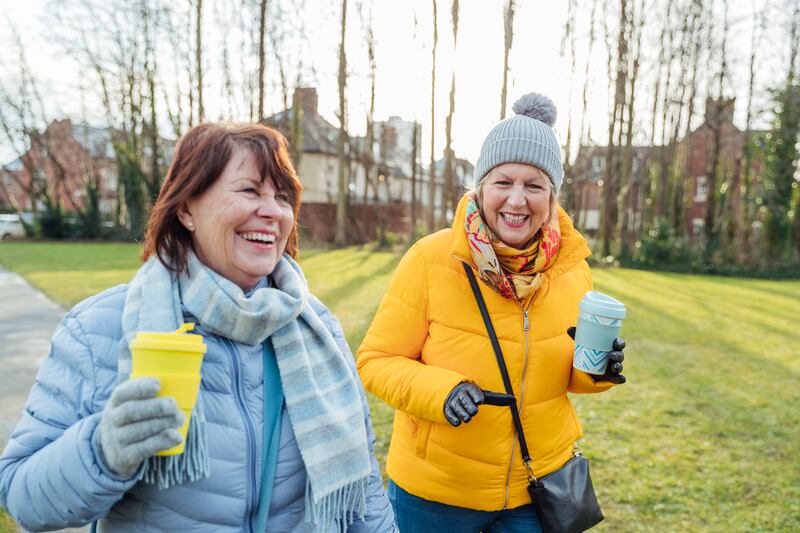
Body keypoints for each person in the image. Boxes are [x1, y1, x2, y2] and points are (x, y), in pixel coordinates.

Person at [0, 123, 395, 532]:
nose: (274, 211)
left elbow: (363, 486)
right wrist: (103, 450)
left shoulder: (316, 328)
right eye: (249, 191)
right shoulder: (99, 328)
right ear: (186, 209)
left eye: (282, 197)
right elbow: (21, 497)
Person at [357, 93, 626, 532]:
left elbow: (562, 376)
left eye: (534, 185)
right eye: (504, 182)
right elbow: (375, 361)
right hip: (437, 493)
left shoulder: (572, 270)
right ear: (480, 186)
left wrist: (596, 372)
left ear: (552, 196)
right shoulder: (431, 259)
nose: (517, 200)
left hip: (534, 486)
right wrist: (441, 391)